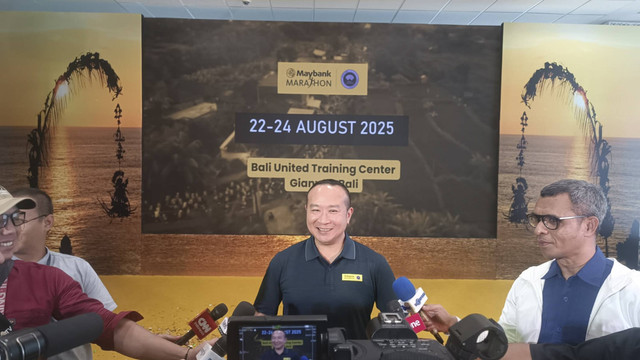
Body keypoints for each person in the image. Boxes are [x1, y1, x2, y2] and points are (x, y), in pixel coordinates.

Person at [0, 185, 215, 360]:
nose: (10, 228)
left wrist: (186, 355)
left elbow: (110, 327)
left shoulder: (49, 278)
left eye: (15, 219)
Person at [419, 179, 640, 346]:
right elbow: (504, 345)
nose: (539, 230)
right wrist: (454, 325)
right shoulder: (528, 281)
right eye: (537, 219)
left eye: (552, 221)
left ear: (589, 226)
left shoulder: (632, 289)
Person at [253, 179, 396, 340]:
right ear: (306, 210)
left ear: (348, 215)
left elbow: (402, 324)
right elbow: (260, 321)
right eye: (315, 210)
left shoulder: (375, 263)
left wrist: (425, 323)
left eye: (333, 211)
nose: (323, 220)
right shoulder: (282, 261)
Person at [10, 187, 117, 360]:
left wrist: (150, 342)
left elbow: (107, 324)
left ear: (47, 222)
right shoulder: (2, 272)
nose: (11, 228)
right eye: (5, 220)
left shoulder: (77, 268)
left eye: (19, 219)